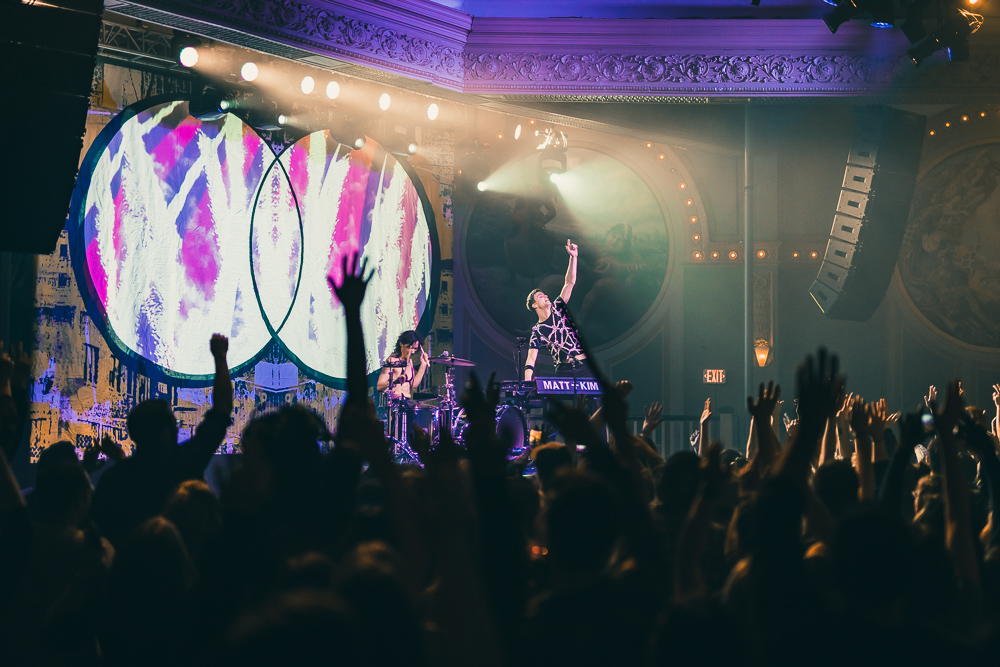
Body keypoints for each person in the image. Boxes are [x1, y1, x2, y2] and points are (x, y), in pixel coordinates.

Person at [523, 239, 581, 381]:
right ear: (534, 305)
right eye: (541, 296)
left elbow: (569, 282)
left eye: (545, 294)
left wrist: (573, 257)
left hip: (582, 365)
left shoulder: (558, 308)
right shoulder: (538, 331)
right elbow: (530, 360)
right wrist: (526, 385)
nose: (546, 296)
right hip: (563, 370)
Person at [376, 330, 429, 400]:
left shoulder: (409, 361)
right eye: (410, 347)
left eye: (415, 348)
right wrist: (395, 381)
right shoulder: (392, 360)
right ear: (401, 344)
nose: (412, 351)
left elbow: (413, 386)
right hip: (395, 403)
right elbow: (379, 386)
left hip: (407, 401)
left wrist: (423, 365)